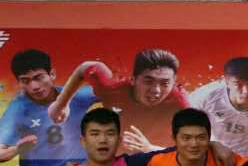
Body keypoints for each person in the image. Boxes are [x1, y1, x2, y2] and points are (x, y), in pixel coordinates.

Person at [0, 49, 95, 166]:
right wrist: (18, 149)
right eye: (25, 81)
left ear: (52, 74)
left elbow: (115, 91)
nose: (34, 86)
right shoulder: (18, 109)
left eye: (38, 77)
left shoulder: (75, 96)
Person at [49, 49, 189, 152]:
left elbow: (195, 149)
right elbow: (86, 67)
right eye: (148, 81)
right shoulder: (112, 90)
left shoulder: (180, 102)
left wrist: (150, 148)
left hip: (158, 154)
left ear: (173, 83)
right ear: (133, 80)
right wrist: (61, 104)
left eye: (165, 83)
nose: (156, 90)